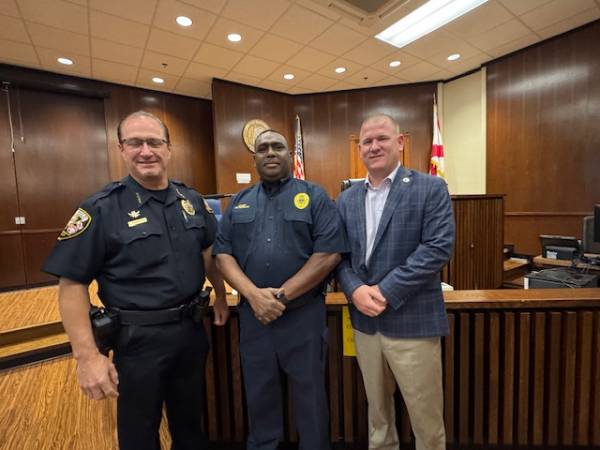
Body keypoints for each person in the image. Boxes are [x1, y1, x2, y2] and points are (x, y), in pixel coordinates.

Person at [42, 111, 229, 450]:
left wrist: (219, 295)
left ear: (169, 149)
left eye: (154, 142)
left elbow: (208, 253)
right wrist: (87, 358)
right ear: (121, 149)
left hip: (190, 332)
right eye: (135, 143)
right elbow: (71, 285)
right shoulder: (101, 208)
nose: (146, 151)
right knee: (139, 431)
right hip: (137, 341)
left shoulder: (191, 201)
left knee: (191, 424)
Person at [213, 129, 348, 450]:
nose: (270, 153)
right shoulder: (239, 203)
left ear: (291, 155)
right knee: (259, 396)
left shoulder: (315, 197)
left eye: (277, 147)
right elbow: (222, 254)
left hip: (303, 318)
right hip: (254, 320)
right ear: (255, 158)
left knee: (310, 397)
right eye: (263, 149)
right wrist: (253, 295)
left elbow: (329, 254)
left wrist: (281, 295)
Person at [336, 114, 455, 450]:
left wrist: (386, 290)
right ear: (359, 149)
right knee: (378, 419)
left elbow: (437, 248)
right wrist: (355, 288)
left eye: (382, 139)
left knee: (426, 421)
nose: (374, 146)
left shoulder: (430, 188)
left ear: (400, 142)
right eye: (367, 141)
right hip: (365, 325)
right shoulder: (346, 199)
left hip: (413, 322)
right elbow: (337, 255)